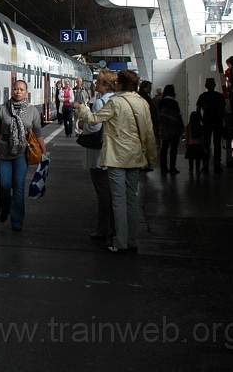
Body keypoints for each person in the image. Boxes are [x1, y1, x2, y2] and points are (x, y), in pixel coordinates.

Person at [75, 69, 158, 254]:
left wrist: (81, 108)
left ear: (119, 84)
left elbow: (93, 119)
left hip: (116, 157)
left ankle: (120, 242)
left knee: (118, 200)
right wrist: (152, 159)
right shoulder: (142, 102)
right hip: (135, 157)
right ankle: (132, 240)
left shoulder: (116, 103)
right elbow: (149, 133)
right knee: (131, 200)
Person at [0, 80, 47, 232]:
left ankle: (17, 220)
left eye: (21, 89)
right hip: (3, 150)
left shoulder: (32, 111)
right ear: (11, 91)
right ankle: (5, 208)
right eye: (15, 89)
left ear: (26, 92)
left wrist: (43, 150)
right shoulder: (2, 109)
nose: (18, 92)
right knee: (4, 185)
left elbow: (38, 132)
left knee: (19, 187)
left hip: (21, 152)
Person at [84, 69, 116, 244]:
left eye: (98, 82)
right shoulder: (116, 100)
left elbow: (93, 127)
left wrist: (83, 121)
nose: (95, 85)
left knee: (103, 194)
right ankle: (113, 227)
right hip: (113, 152)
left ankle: (103, 229)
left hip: (99, 154)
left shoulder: (99, 103)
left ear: (105, 85)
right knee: (111, 193)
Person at [195, 77, 226, 172]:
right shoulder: (220, 96)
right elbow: (223, 111)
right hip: (217, 122)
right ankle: (217, 164)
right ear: (214, 85)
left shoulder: (203, 96)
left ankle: (205, 165)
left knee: (206, 144)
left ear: (206, 86)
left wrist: (201, 120)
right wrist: (226, 123)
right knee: (217, 144)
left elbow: (198, 110)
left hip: (206, 122)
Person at [157, 84, 184, 174]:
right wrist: (182, 127)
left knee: (164, 148)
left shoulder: (161, 102)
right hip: (174, 129)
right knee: (173, 149)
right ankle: (172, 167)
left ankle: (163, 167)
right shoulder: (174, 103)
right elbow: (178, 116)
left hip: (164, 128)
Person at [183, 110, 205, 175]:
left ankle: (191, 169)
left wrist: (186, 144)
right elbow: (202, 137)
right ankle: (197, 169)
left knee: (191, 159)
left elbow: (187, 136)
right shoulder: (200, 126)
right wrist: (202, 145)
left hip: (191, 145)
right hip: (198, 144)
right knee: (198, 158)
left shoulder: (188, 126)